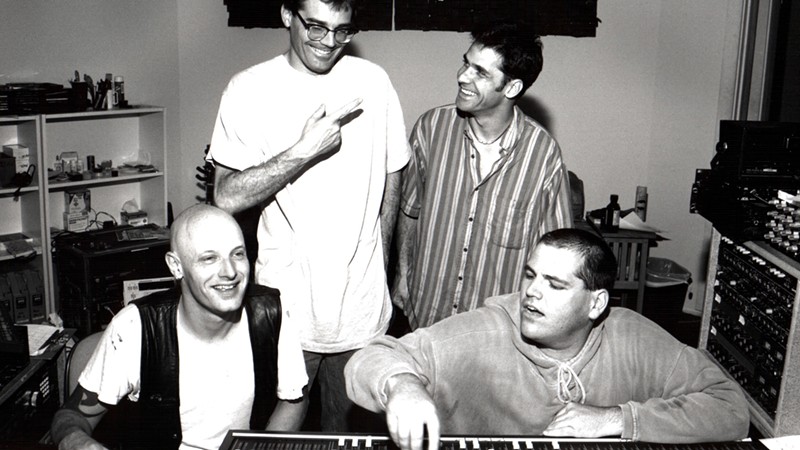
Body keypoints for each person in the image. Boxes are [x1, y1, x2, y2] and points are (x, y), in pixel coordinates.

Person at [346, 228, 750, 450]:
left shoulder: (633, 336)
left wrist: (616, 419)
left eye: (554, 284)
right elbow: (373, 357)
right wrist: (403, 386)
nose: (531, 293)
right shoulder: (481, 332)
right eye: (530, 275)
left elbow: (731, 409)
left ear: (596, 304)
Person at [206, 0, 410, 431]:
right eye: (315, 27)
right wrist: (302, 151)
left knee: (350, 436)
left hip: (362, 311)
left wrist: (387, 260)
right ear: (286, 14)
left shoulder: (373, 81)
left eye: (342, 30)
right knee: (274, 435)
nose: (328, 43)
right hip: (286, 311)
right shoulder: (248, 88)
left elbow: (394, 172)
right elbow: (224, 196)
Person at [50, 204, 308, 450]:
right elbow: (72, 416)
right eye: (209, 258)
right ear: (176, 266)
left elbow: (294, 397)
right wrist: (77, 441)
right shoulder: (134, 329)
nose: (229, 271)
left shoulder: (271, 312)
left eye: (237, 254)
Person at [394, 23, 574, 330]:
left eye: (480, 71)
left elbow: (556, 252)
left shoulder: (543, 154)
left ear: (512, 88)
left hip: (494, 331)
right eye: (466, 63)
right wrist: (402, 275)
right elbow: (409, 211)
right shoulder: (430, 129)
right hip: (425, 316)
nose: (462, 76)